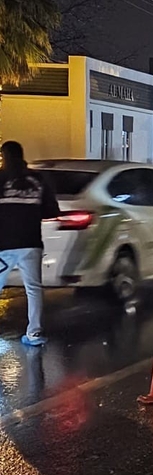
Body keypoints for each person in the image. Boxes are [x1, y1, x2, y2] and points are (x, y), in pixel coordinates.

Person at [0, 141, 61, 347]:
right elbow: (52, 210)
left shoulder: (1, 178)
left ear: (4, 156)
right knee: (33, 289)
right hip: (31, 242)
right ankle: (34, 333)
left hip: (4, 245)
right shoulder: (38, 179)